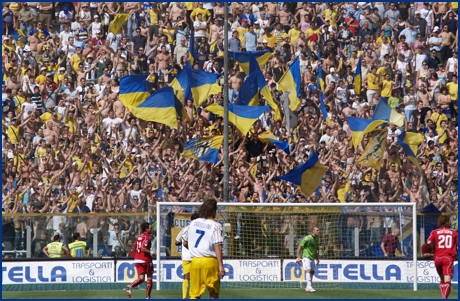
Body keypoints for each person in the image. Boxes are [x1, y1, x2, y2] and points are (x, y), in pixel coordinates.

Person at [183, 199, 225, 299]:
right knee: (213, 292)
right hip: (210, 262)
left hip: (195, 261)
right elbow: (217, 246)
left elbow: (184, 242)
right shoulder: (216, 225)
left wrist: (196, 249)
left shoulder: (193, 223)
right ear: (213, 210)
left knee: (194, 294)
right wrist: (221, 266)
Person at [426, 215, 458, 300]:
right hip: (447, 257)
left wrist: (433, 248)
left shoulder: (434, 232)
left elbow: (428, 242)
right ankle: (444, 298)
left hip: (437, 258)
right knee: (447, 280)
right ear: (447, 222)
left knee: (442, 279)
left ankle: (443, 296)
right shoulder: (454, 232)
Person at [125, 222, 154, 299]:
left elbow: (134, 248)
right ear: (146, 229)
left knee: (141, 278)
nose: (152, 229)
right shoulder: (147, 237)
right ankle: (148, 297)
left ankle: (130, 286)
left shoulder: (139, 237)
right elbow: (143, 249)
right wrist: (152, 252)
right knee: (149, 277)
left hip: (137, 259)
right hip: (145, 259)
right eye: (150, 228)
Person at [175, 213, 199, 299]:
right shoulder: (198, 229)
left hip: (186, 256)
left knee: (186, 277)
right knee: (195, 278)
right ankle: (194, 296)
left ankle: (184, 297)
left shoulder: (185, 229)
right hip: (196, 256)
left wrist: (182, 242)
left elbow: (176, 241)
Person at [296, 226, 320, 293]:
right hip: (306, 257)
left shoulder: (317, 238)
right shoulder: (307, 238)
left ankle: (308, 287)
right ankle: (309, 287)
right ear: (313, 231)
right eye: (317, 230)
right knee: (308, 270)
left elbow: (315, 248)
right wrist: (298, 256)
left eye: (318, 230)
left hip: (312, 257)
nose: (318, 231)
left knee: (312, 271)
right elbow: (300, 245)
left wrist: (317, 257)